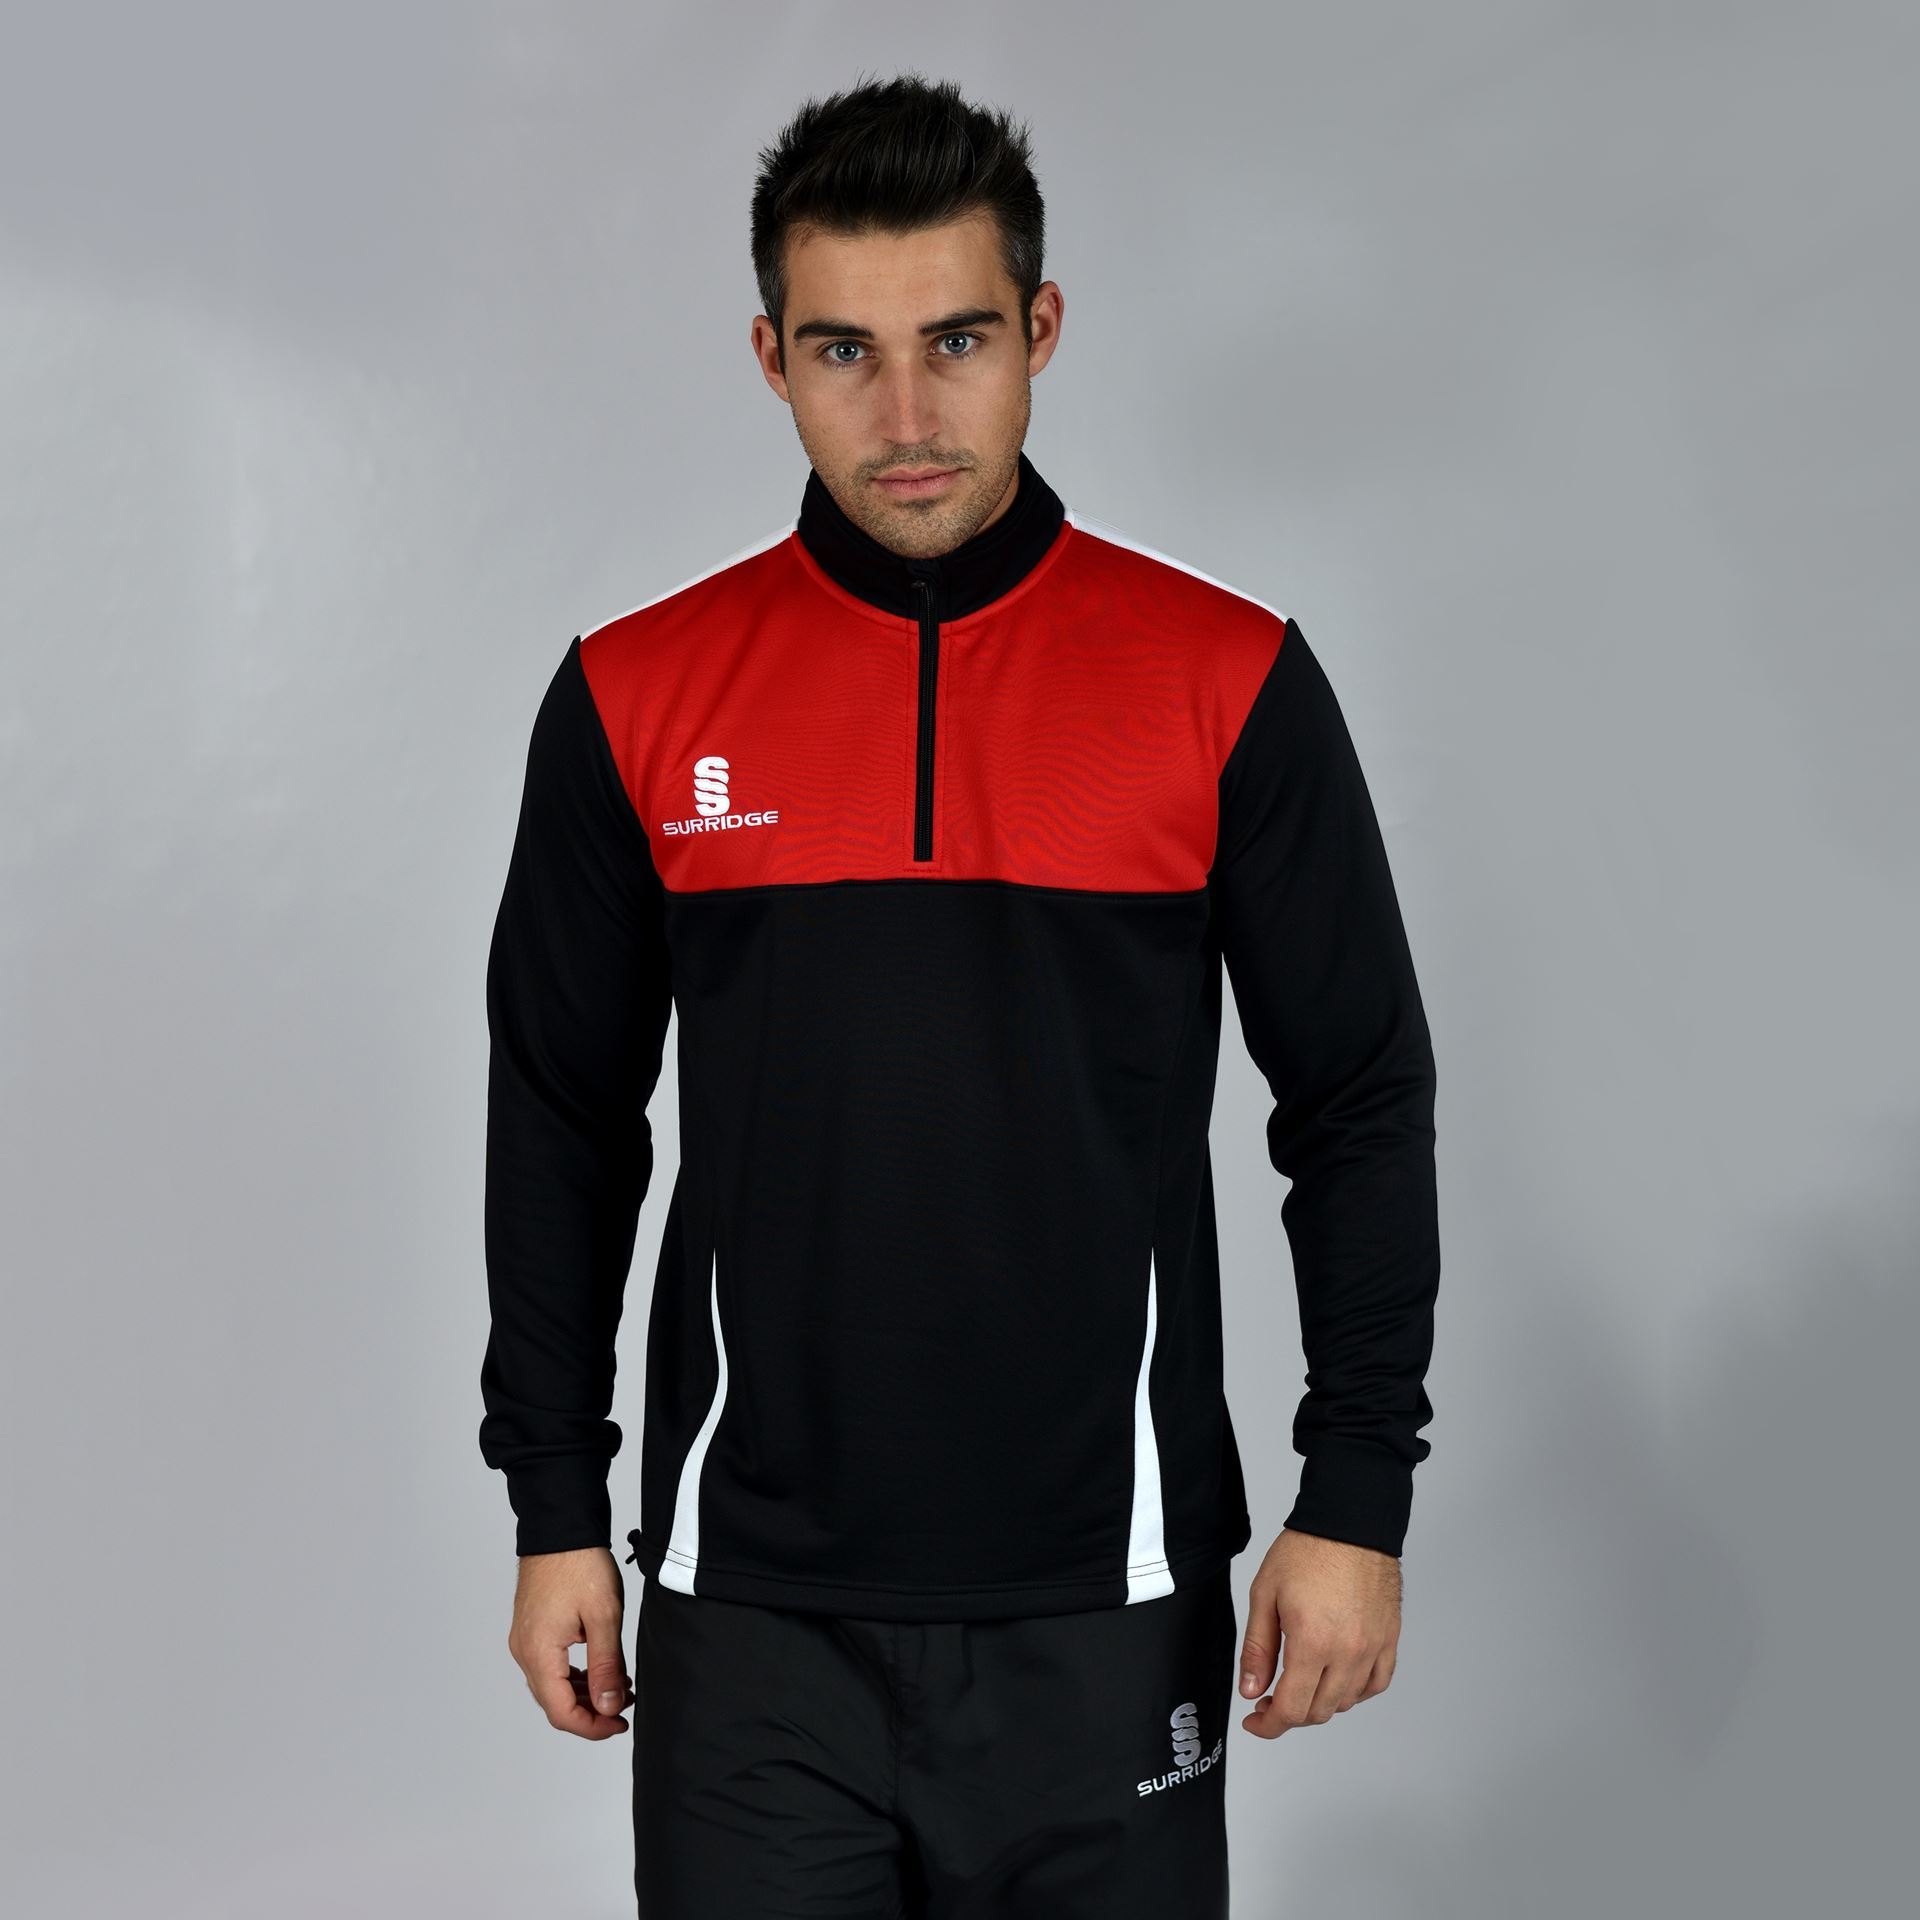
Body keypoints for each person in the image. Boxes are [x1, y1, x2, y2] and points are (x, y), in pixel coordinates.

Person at [478, 70, 1439, 1919]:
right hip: (751, 1607)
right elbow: (562, 1118)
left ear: (1041, 331)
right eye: (844, 350)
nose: (908, 417)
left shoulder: (1227, 679)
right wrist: (554, 1506)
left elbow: (1357, 1100)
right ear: (770, 356)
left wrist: (1355, 1495)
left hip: (1109, 1591)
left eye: (959, 342)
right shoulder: (635, 692)